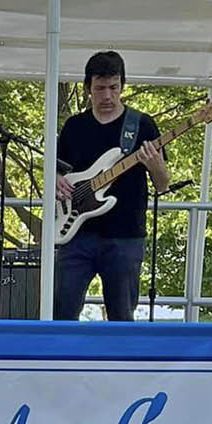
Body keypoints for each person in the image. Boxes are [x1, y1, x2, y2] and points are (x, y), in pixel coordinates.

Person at [52, 51, 169, 321]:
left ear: (122, 86)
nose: (107, 96)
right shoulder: (74, 126)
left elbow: (163, 184)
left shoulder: (142, 125)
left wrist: (154, 164)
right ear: (88, 88)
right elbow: (57, 173)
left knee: (122, 316)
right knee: (61, 311)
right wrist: (57, 181)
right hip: (76, 234)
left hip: (125, 235)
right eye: (100, 88)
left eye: (113, 88)